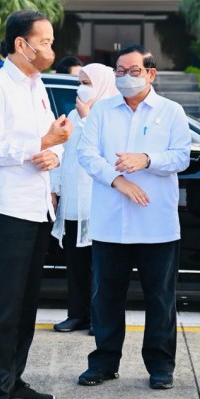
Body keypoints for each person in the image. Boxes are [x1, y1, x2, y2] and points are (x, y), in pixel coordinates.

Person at [0, 10, 72, 399]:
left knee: (29, 301)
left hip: (37, 207)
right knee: (7, 304)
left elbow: (55, 141)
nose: (51, 49)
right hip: (9, 208)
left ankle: (15, 382)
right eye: (45, 42)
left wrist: (55, 151)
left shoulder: (38, 86)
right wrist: (44, 141)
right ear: (21, 44)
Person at [77, 44, 191, 390]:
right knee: (106, 297)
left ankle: (160, 366)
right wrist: (118, 181)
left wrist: (147, 159)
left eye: (134, 71)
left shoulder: (171, 111)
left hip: (156, 223)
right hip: (110, 222)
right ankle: (105, 362)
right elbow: (86, 153)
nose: (125, 77)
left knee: (159, 299)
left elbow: (181, 157)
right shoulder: (102, 111)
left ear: (151, 73)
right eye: (120, 71)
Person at [51, 63, 118, 334]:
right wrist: (55, 190)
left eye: (88, 82)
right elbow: (62, 154)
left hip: (98, 203)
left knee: (100, 266)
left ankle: (97, 317)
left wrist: (88, 116)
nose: (82, 87)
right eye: (80, 81)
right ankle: (77, 313)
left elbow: (107, 151)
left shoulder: (111, 113)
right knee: (75, 263)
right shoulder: (72, 115)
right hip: (73, 201)